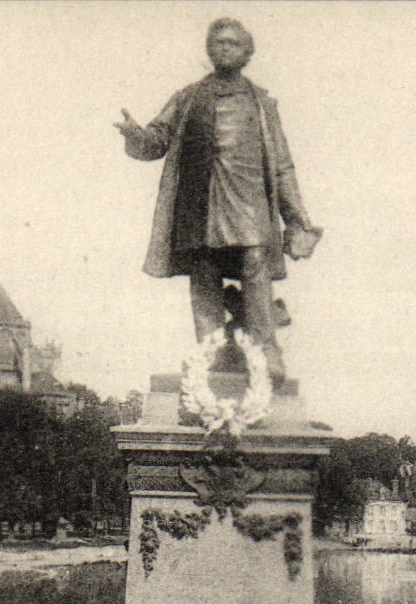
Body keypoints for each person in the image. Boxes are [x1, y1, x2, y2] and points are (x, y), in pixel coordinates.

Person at [116, 17, 320, 382]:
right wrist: (135, 135)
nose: (224, 48)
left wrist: (298, 219)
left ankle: (264, 351)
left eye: (233, 43)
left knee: (254, 264)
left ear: (248, 53)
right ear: (209, 50)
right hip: (199, 203)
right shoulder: (188, 97)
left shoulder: (261, 104)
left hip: (249, 203)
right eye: (218, 43)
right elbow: (156, 140)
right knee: (204, 272)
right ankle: (209, 350)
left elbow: (282, 167)